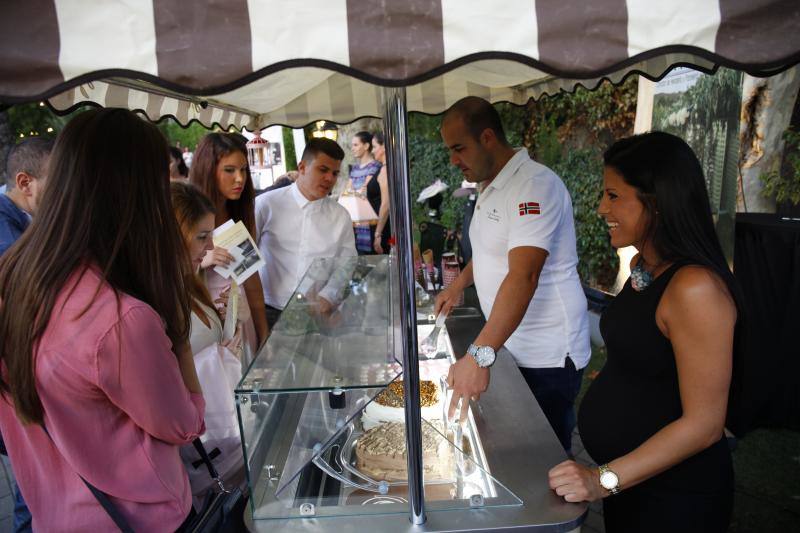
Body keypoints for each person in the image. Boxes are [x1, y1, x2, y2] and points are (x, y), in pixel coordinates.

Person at [0, 108, 205, 531]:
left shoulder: (12, 280)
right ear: (138, 192)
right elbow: (184, 423)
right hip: (141, 520)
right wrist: (179, 337)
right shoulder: (120, 318)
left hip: (51, 514)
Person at [548, 132, 740, 532]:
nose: (602, 208)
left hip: (674, 501)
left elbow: (705, 425)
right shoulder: (645, 266)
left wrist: (603, 480)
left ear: (655, 202)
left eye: (613, 196)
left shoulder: (695, 288)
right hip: (631, 487)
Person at [435, 96, 590, 454]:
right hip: (508, 342)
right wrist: (457, 285)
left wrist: (478, 356)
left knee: (543, 457)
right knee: (514, 450)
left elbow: (524, 275)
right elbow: (493, 253)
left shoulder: (534, 186)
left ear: (488, 137)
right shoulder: (490, 183)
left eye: (459, 148)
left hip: (547, 355)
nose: (453, 160)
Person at [170, 181, 245, 500]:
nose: (209, 246)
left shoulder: (191, 282)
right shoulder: (155, 299)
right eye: (202, 237)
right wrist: (216, 356)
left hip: (225, 432)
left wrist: (228, 331)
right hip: (198, 445)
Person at [0, 137, 52, 532]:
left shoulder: (24, 220)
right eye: (58, 183)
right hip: (19, 381)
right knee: (32, 489)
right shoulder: (5, 231)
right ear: (25, 182)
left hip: (26, 377)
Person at [255, 138, 357, 328]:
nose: (330, 179)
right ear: (302, 167)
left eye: (335, 173)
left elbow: (347, 262)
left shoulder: (340, 216)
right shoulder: (267, 204)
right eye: (323, 170)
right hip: (268, 310)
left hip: (315, 314)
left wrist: (328, 296)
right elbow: (245, 254)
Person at [190, 133, 269, 362]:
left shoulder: (239, 213)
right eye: (230, 170)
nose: (239, 179)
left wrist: (264, 331)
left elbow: (252, 280)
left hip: (242, 320)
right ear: (208, 169)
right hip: (207, 325)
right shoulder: (186, 213)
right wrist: (202, 261)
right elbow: (169, 277)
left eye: (244, 170)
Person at [346, 131, 382, 254]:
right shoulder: (354, 168)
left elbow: (364, 190)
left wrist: (353, 193)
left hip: (369, 217)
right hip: (354, 219)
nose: (352, 148)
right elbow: (347, 192)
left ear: (366, 146)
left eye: (356, 145)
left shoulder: (375, 166)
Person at [369, 132, 391, 254]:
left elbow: (386, 204)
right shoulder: (386, 168)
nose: (372, 151)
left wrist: (378, 233)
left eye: (374, 146)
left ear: (384, 147)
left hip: (384, 228)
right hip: (384, 226)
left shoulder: (385, 170)